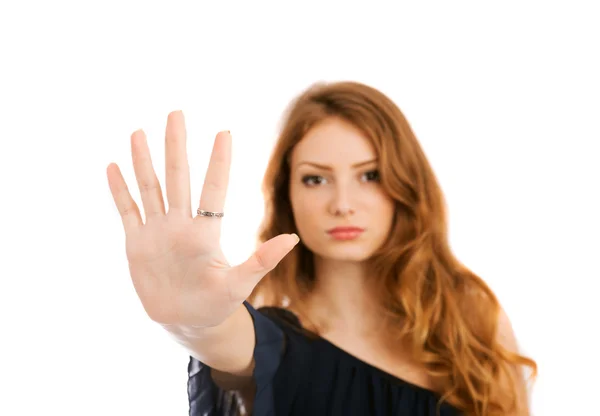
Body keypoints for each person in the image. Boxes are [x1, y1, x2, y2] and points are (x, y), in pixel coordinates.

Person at [107, 81, 537, 416]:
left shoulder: (472, 321)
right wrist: (194, 323)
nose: (343, 204)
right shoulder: (276, 343)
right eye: (317, 178)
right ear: (287, 194)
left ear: (407, 185)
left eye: (369, 175)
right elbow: (230, 341)